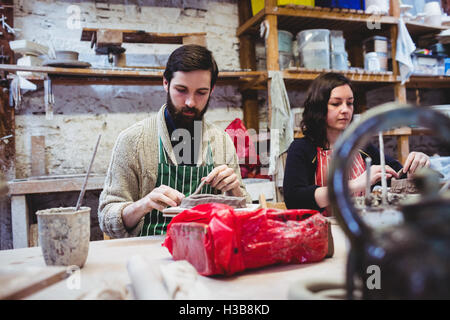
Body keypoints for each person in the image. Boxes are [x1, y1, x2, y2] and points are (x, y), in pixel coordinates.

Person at [99, 44, 251, 238]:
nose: (190, 102)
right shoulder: (133, 141)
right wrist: (142, 205)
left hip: (207, 250)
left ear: (212, 90)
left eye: (201, 93)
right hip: (151, 254)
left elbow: (245, 210)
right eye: (181, 90)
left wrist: (234, 191)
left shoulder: (221, 141)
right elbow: (106, 217)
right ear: (165, 83)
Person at [283, 72, 430, 215]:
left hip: (359, 229)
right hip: (319, 233)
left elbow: (398, 176)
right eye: (336, 103)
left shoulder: (361, 147)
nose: (345, 110)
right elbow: (294, 199)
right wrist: (354, 184)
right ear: (318, 107)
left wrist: (414, 168)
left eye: (350, 103)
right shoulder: (301, 149)